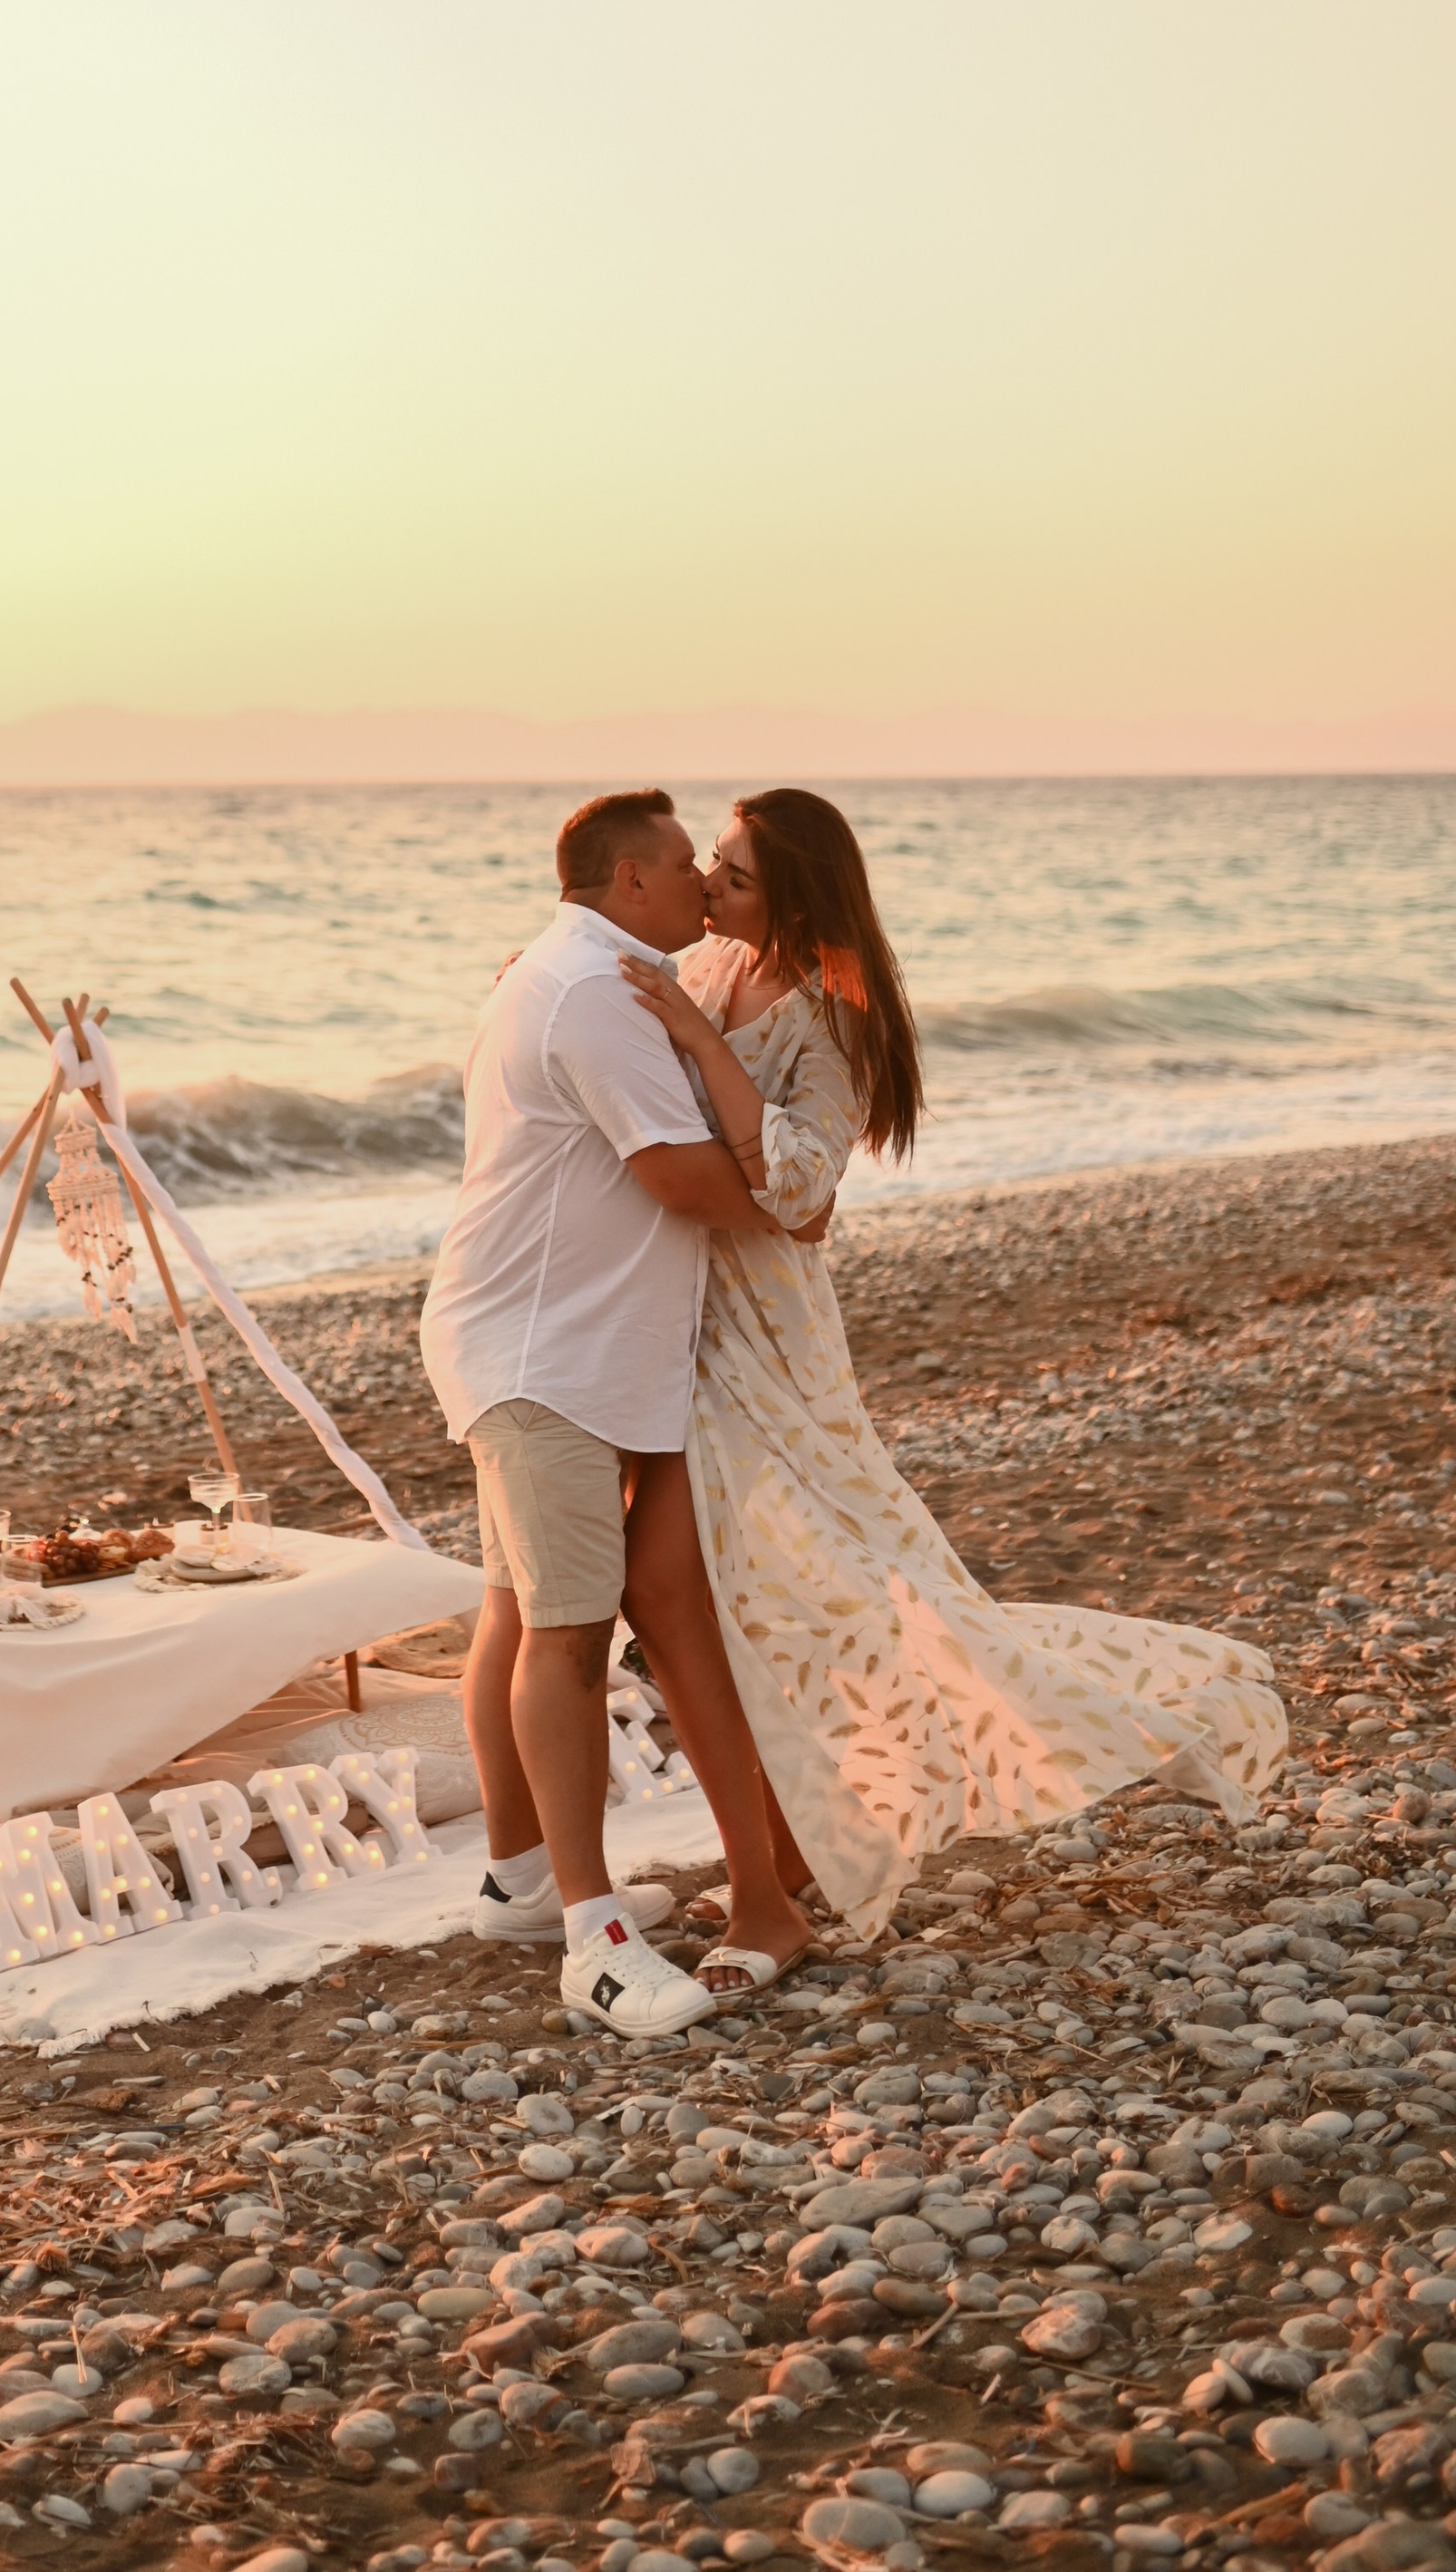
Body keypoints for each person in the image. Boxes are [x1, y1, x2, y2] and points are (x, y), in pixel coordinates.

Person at [617, 788, 1287, 1973]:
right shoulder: (715, 969)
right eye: (711, 868)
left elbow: (800, 1193)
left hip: (764, 1337)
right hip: (684, 1311)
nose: (711, 890)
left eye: (733, 876)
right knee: (754, 1594)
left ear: (795, 902)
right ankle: (775, 1854)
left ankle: (1164, 1708)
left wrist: (697, 1039)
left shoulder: (824, 1024)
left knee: (812, 1588)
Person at [420, 785, 791, 2037]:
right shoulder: (603, 992)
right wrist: (796, 1199)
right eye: (687, 865)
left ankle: (521, 1880)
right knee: (569, 1638)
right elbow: (682, 1176)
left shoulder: (572, 965)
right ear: (629, 882)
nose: (701, 886)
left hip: (536, 1340)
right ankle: (592, 1936)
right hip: (546, 1359)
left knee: (519, 1609)